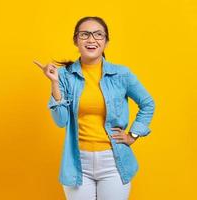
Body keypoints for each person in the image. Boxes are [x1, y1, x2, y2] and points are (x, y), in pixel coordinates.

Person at [33, 16, 155, 200]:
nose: (91, 39)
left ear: (106, 41)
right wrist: (55, 84)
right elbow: (61, 121)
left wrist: (133, 135)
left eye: (98, 35)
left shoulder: (122, 74)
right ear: (76, 40)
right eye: (85, 34)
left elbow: (147, 103)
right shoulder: (64, 76)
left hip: (113, 161)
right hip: (77, 161)